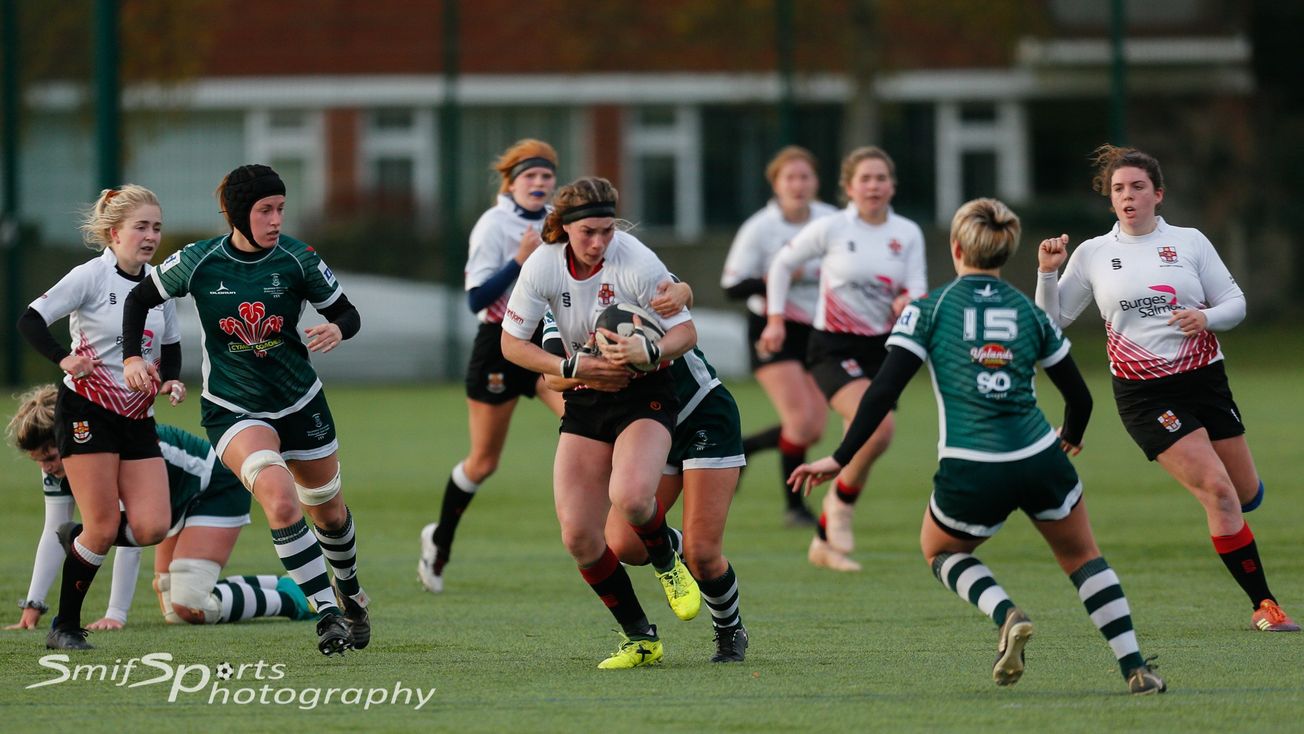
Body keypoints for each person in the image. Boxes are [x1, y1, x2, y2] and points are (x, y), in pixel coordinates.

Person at [790, 197, 1166, 694]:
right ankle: (1135, 668)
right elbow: (1080, 397)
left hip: (972, 463)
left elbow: (881, 392)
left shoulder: (930, 309)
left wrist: (840, 458)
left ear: (955, 248)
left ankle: (1005, 612)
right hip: (1039, 455)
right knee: (1082, 557)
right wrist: (1070, 437)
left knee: (940, 549)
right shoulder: (1030, 313)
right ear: (1005, 251)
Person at [1034, 144, 1298, 633]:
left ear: (1158, 194)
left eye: (1138, 187)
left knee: (1243, 493)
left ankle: (1238, 505)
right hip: (1145, 394)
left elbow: (1235, 302)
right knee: (1218, 491)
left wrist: (1206, 317)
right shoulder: (1093, 254)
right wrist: (1048, 272)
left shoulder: (1190, 242)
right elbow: (1048, 324)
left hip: (1206, 382)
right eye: (1118, 189)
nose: (1127, 196)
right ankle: (1265, 605)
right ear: (1110, 199)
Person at [120, 164, 371, 656]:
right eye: (264, 210)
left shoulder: (298, 258)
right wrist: (132, 357)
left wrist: (338, 328)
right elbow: (138, 299)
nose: (276, 219)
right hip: (232, 409)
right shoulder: (198, 261)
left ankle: (351, 592)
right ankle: (327, 614)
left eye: (280, 209)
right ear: (238, 214)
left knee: (330, 514)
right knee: (281, 500)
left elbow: (347, 312)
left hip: (300, 403)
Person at [500, 176, 701, 669]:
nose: (599, 242)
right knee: (578, 537)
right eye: (588, 232)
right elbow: (512, 345)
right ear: (564, 227)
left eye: (607, 231)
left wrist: (651, 350)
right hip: (585, 398)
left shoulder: (636, 260)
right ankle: (641, 638)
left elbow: (686, 332)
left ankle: (666, 561)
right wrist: (571, 366)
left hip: (644, 393)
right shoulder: (543, 265)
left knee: (631, 498)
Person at [543, 280, 751, 663]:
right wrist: (586, 368)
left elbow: (679, 293)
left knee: (703, 555)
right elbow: (551, 375)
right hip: (646, 423)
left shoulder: (631, 272)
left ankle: (730, 629)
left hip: (700, 414)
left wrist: (683, 292)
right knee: (624, 544)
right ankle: (668, 561)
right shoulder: (557, 295)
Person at [16, 185, 182, 649]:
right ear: (114, 233)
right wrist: (63, 358)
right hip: (87, 411)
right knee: (104, 527)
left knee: (152, 526)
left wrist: (169, 380)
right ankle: (65, 626)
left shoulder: (161, 284)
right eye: (141, 227)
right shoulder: (90, 276)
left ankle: (78, 537)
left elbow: (170, 345)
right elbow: (30, 319)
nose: (151, 236)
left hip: (137, 416)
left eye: (156, 227)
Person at [5, 384, 312, 630]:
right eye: (38, 460)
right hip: (172, 501)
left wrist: (115, 613)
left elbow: (132, 537)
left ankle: (294, 601)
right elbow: (54, 532)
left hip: (213, 486)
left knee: (190, 605)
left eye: (50, 456)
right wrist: (33, 604)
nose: (46, 468)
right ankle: (284, 584)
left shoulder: (105, 454)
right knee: (175, 609)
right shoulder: (60, 465)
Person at [762, 146, 927, 571]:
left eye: (881, 178)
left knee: (868, 435)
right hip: (832, 347)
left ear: (892, 185)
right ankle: (840, 506)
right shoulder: (832, 227)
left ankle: (823, 537)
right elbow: (781, 265)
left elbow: (917, 288)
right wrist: (776, 320)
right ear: (849, 188)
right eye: (864, 179)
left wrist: (907, 300)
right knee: (879, 429)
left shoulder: (907, 232)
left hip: (884, 349)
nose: (874, 186)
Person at [418, 139, 566, 595]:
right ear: (511, 183)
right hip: (499, 344)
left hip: (546, 341)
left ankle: (618, 537)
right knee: (483, 462)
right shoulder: (493, 225)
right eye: (530, 176)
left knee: (589, 427)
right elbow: (476, 299)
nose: (539, 183)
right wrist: (519, 260)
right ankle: (439, 541)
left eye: (546, 176)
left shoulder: (560, 221)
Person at [721, 146, 837, 528]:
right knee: (800, 421)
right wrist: (777, 276)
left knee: (813, 428)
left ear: (816, 182)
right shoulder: (760, 227)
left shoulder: (832, 221)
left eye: (805, 177)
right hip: (772, 328)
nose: (798, 185)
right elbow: (732, 286)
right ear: (776, 184)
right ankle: (795, 508)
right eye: (790, 177)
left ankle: (744, 448)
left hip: (819, 330)